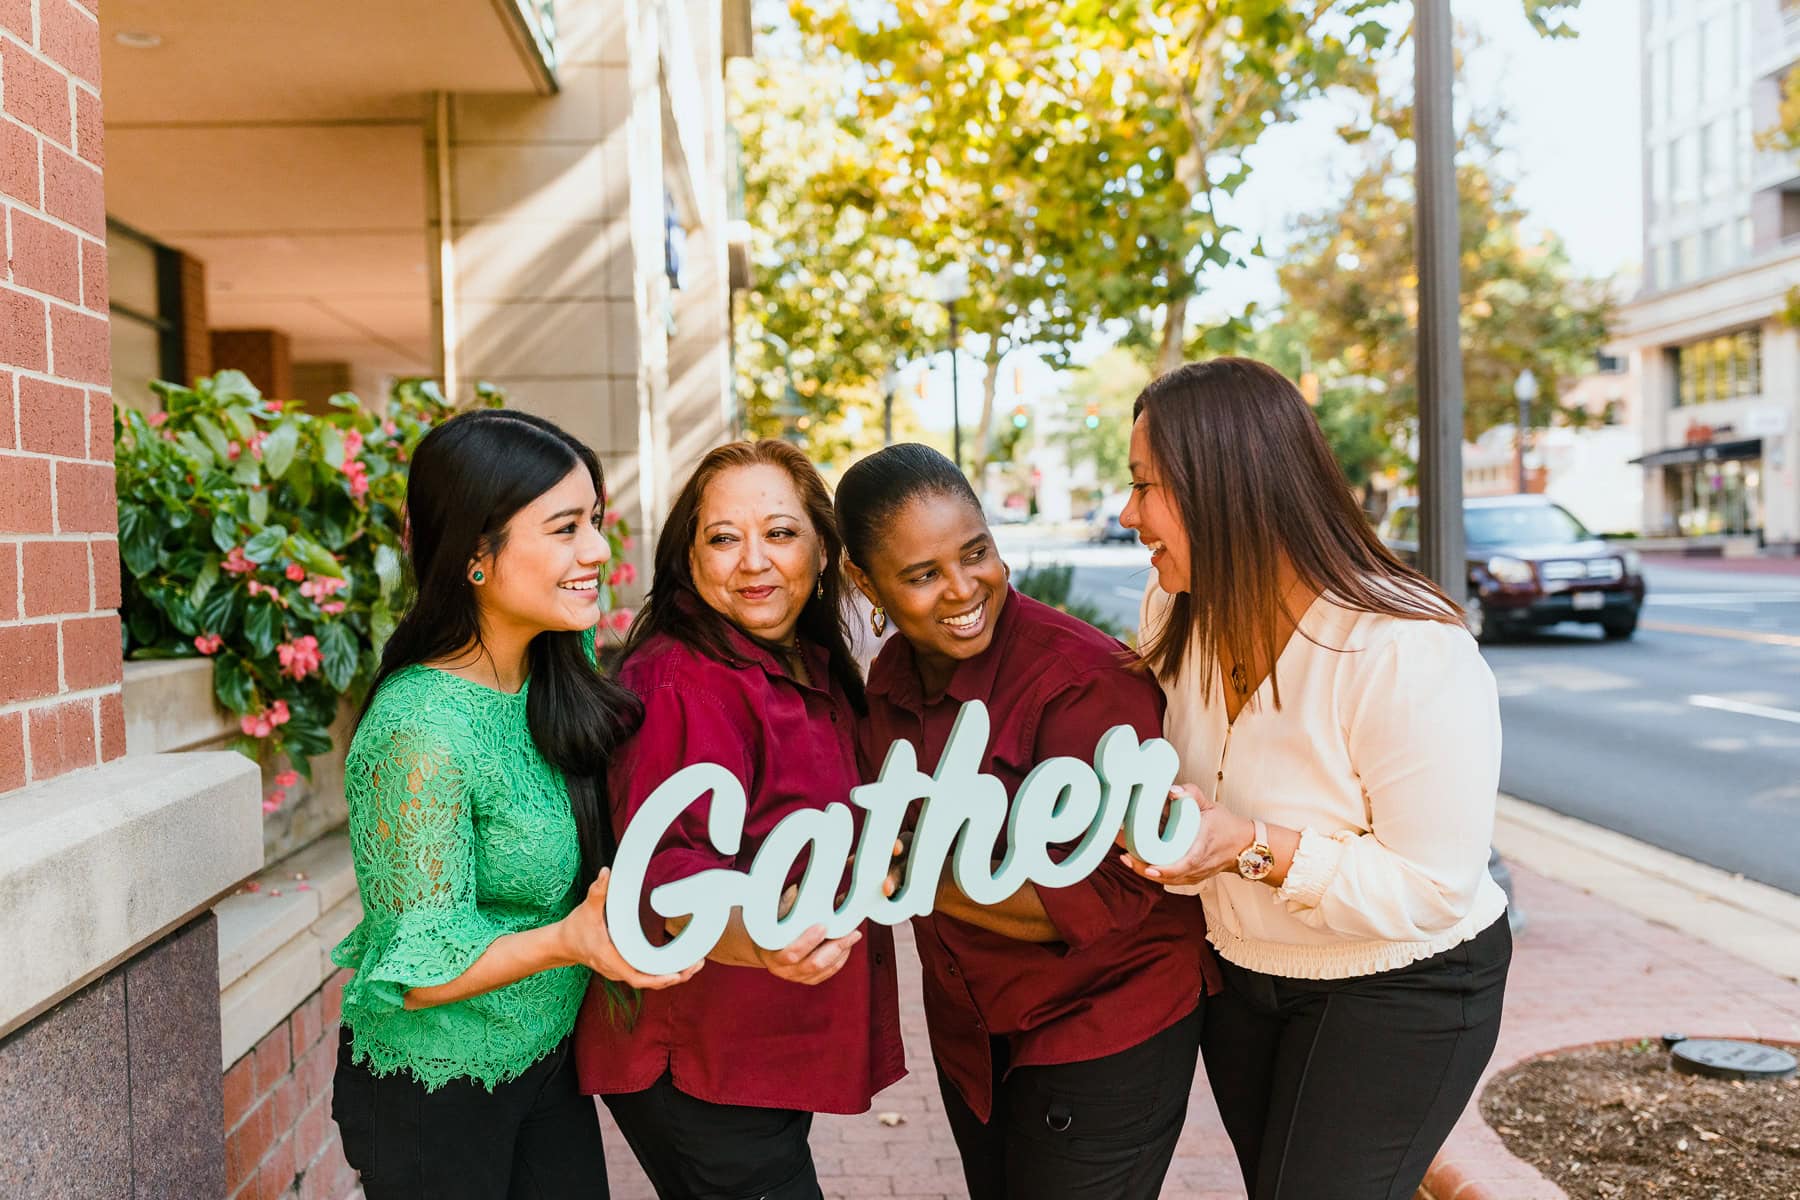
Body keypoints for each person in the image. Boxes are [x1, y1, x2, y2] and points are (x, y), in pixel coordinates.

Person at [1117, 357, 1512, 1200]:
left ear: (1226, 488)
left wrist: (1253, 847)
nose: (1128, 514)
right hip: (1244, 974)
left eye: (1145, 487)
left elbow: (1433, 885)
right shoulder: (1173, 610)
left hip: (1405, 984)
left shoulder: (1403, 649)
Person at [834, 443, 1219, 1200]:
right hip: (974, 1030)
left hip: (1103, 1021)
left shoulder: (1083, 680)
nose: (962, 588)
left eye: (977, 552)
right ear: (864, 581)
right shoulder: (888, 678)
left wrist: (906, 874)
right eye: (921, 575)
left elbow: (1105, 895)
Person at [329, 409, 696, 1200]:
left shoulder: (553, 675)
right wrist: (571, 940)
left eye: (594, 522)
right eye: (564, 528)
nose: (596, 551)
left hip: (543, 1060)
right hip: (437, 1092)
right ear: (475, 555)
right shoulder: (419, 728)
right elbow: (418, 968)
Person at [574, 440, 905, 1200]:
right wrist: (764, 931)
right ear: (688, 559)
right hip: (697, 1056)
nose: (753, 560)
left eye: (781, 533)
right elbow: (666, 870)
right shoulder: (682, 682)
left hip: (761, 1049)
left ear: (824, 550)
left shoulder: (807, 662)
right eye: (723, 538)